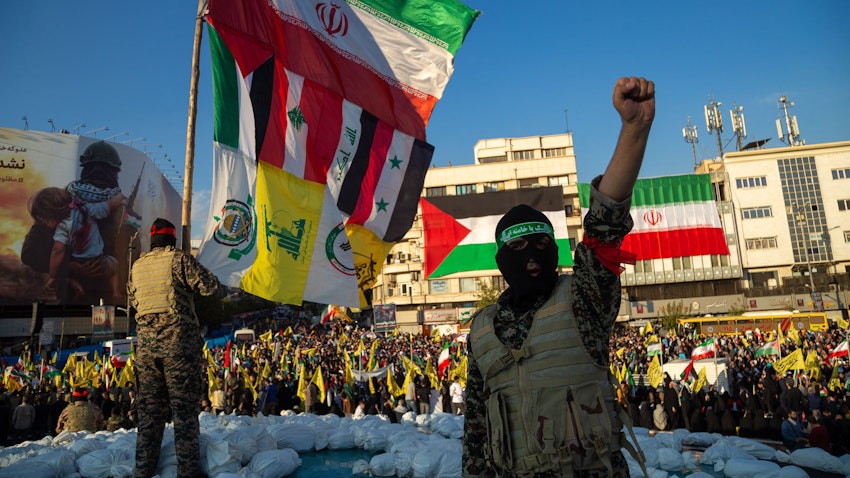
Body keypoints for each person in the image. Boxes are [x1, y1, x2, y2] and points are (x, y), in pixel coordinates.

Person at [463, 76, 655, 478]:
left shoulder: (585, 300)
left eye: (539, 244)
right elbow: (477, 438)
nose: (531, 257)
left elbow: (604, 227)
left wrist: (634, 129)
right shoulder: (482, 331)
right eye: (517, 249)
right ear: (501, 262)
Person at [128, 218, 221, 478]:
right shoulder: (180, 260)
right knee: (184, 415)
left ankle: (143, 471)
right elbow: (210, 288)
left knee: (149, 415)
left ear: (152, 238)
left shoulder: (137, 266)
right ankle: (186, 472)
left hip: (146, 351)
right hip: (178, 349)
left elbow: (134, 300)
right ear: (172, 240)